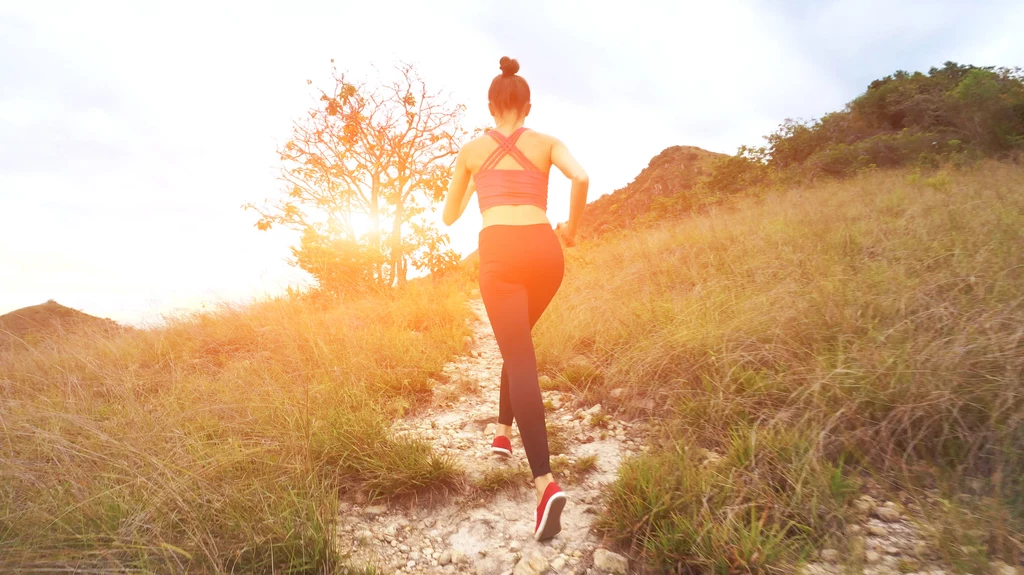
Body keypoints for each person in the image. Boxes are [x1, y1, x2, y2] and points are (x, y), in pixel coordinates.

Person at [442, 56, 589, 541]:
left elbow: (448, 217)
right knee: (517, 340)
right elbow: (581, 178)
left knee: (519, 356)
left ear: (490, 106)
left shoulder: (470, 150)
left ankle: (545, 483)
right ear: (527, 106)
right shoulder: (546, 142)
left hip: (501, 253)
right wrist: (571, 232)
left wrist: (472, 190)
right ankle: (502, 432)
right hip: (546, 251)